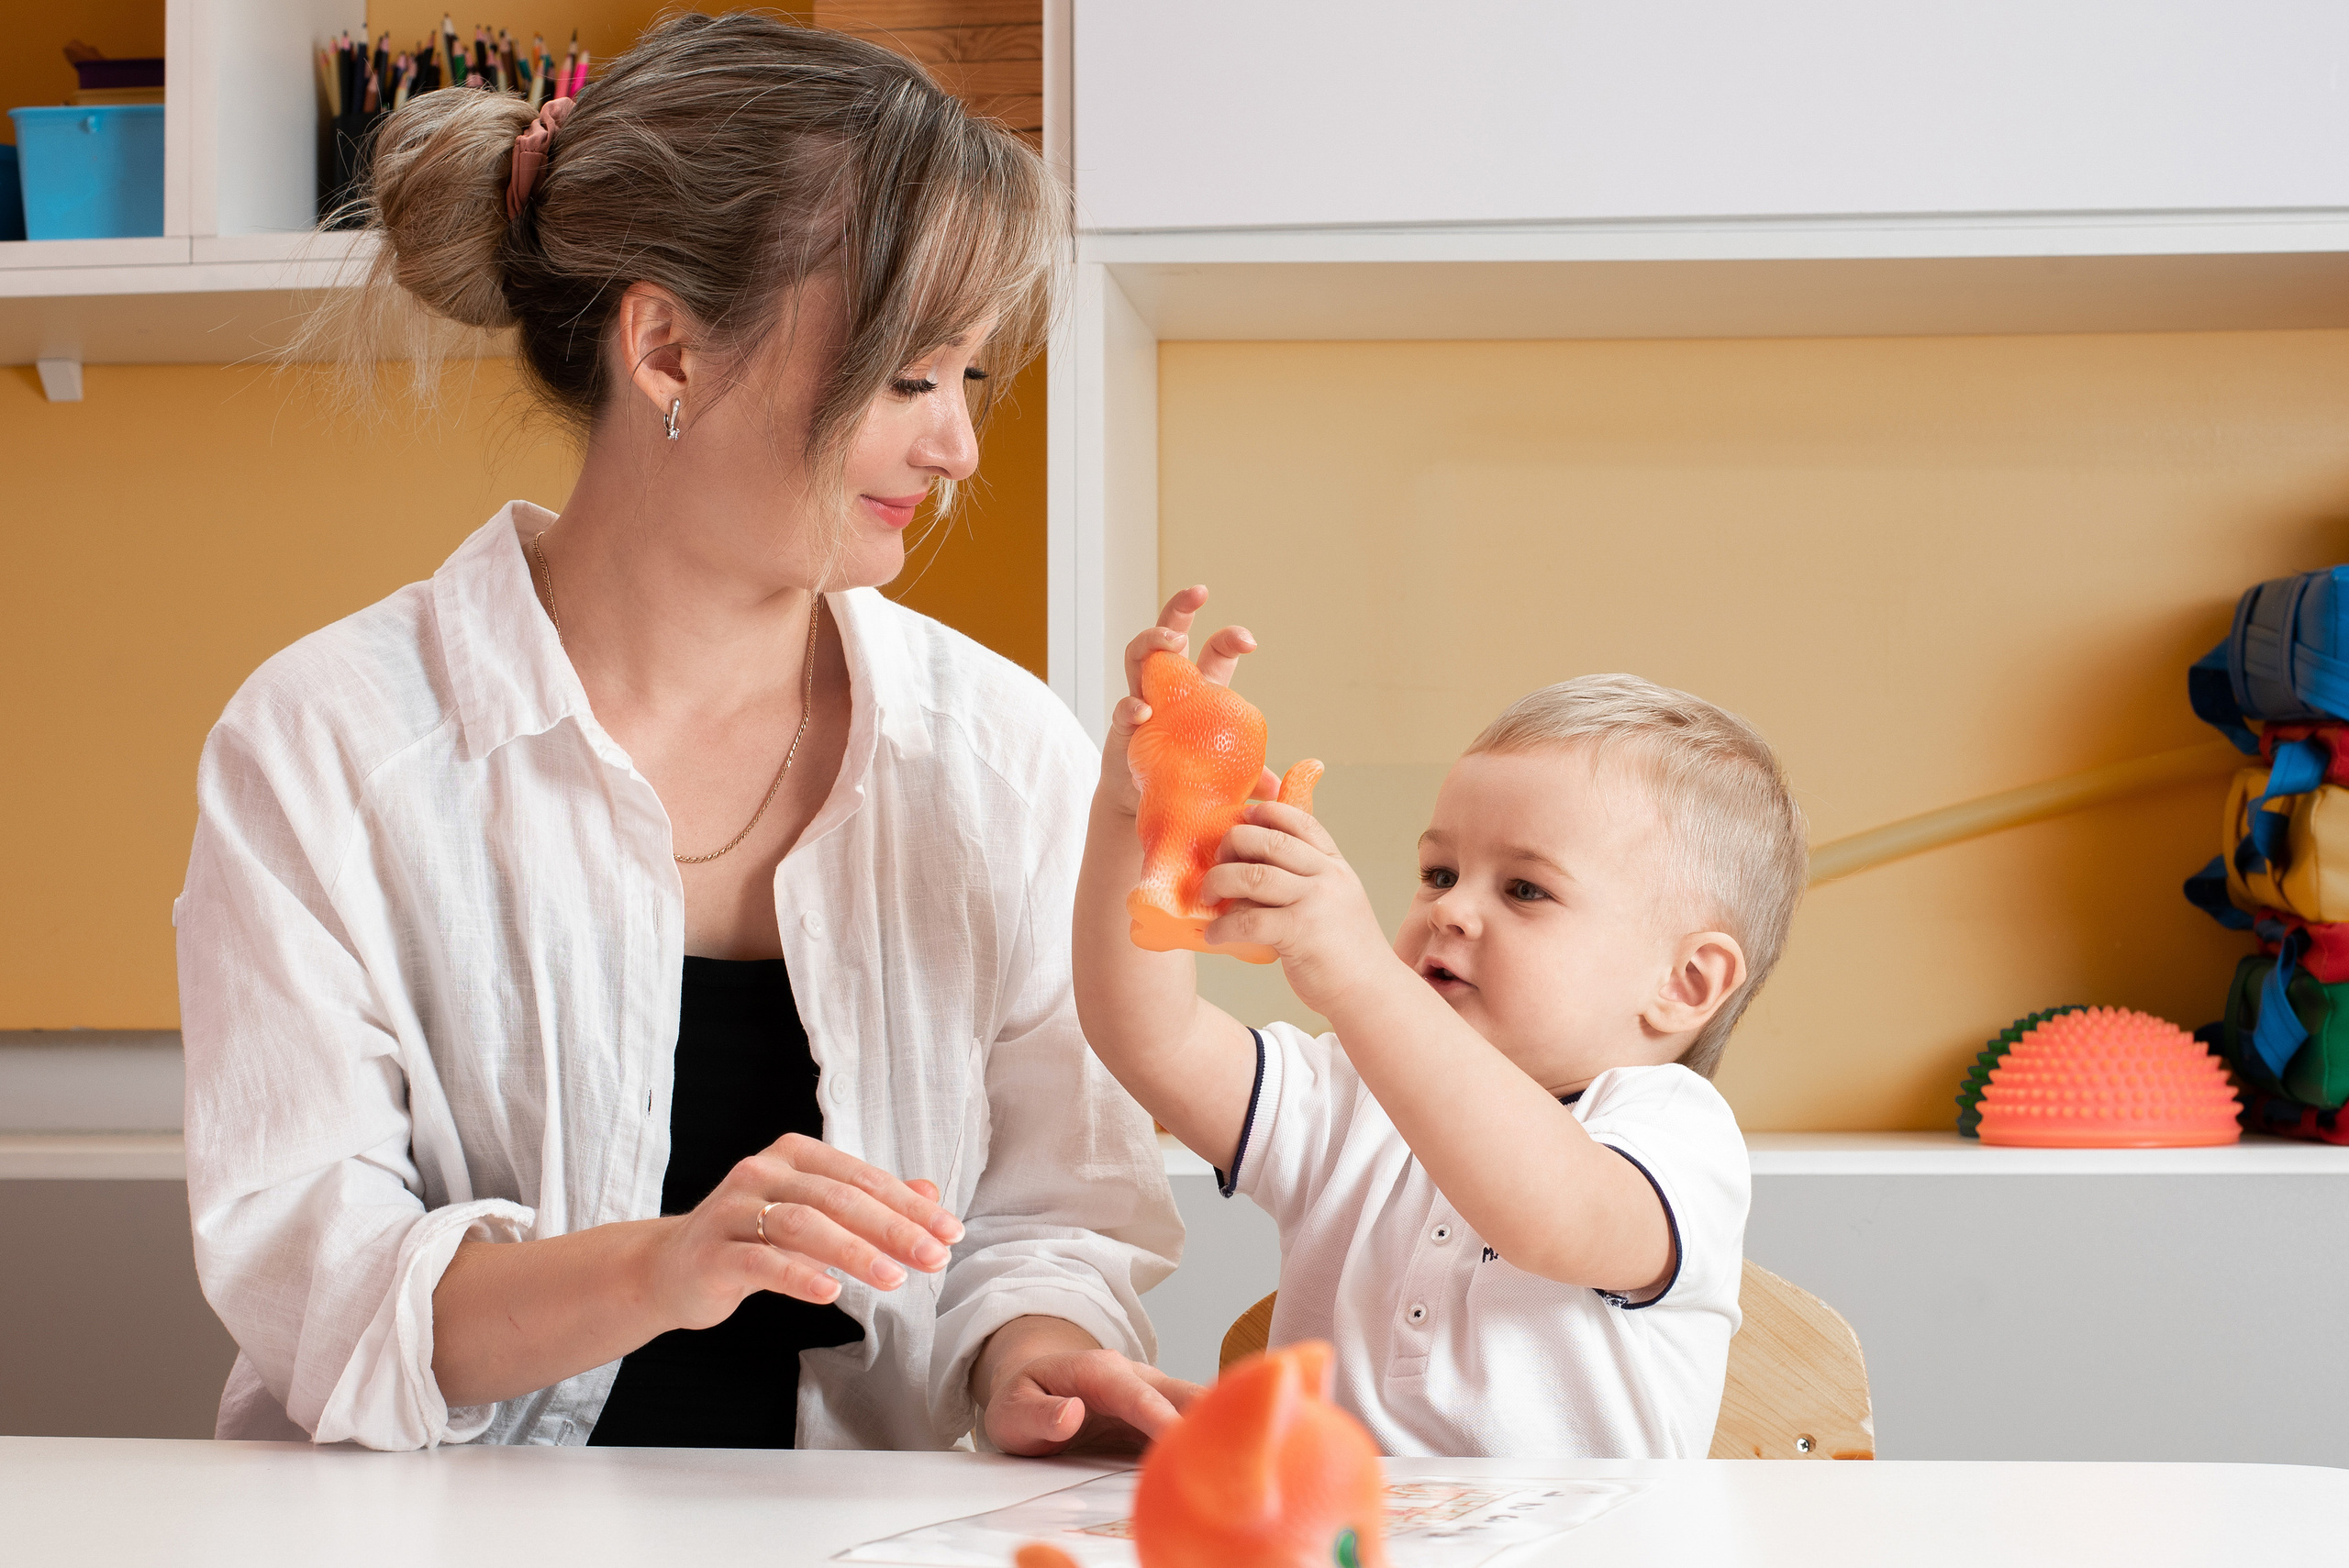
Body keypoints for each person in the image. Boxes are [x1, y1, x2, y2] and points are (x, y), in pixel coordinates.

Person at [178, 13, 1187, 1454]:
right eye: (910, 376)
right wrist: (668, 1263)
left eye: (968, 376)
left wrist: (1038, 1355)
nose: (957, 444)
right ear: (666, 349)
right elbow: (319, 1286)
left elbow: (1051, 1215)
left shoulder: (1002, 755)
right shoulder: (328, 743)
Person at [1074, 590, 1809, 1456]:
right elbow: (1146, 1037)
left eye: (1525, 888)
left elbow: (1550, 1215)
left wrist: (1358, 973)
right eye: (1438, 871)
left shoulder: (1676, 1135)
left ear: (1685, 983)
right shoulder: (1350, 1096)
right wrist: (1139, 817)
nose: (1453, 908)